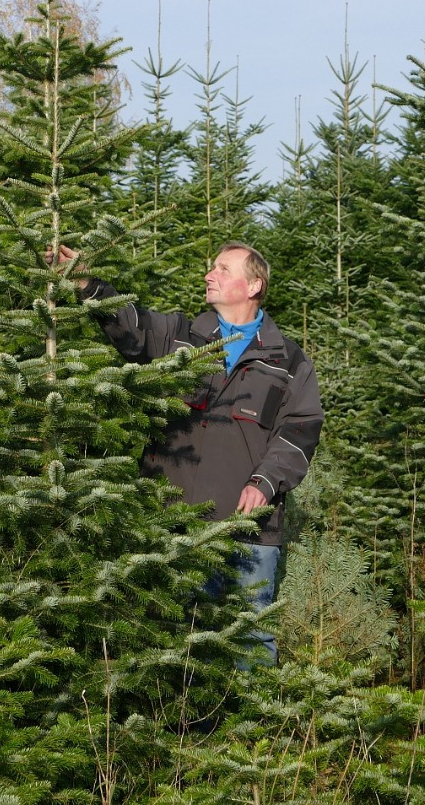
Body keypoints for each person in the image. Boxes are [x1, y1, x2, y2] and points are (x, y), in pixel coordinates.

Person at [64, 242, 322, 662]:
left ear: (254, 285)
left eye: (223, 269)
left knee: (250, 644)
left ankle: (250, 710)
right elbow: (133, 325)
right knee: (168, 642)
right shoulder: (181, 337)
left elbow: (300, 431)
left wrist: (265, 482)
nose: (209, 274)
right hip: (173, 523)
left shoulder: (287, 361)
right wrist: (86, 284)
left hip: (249, 532)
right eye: (211, 267)